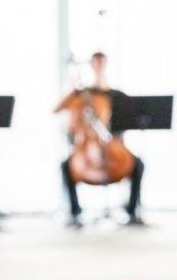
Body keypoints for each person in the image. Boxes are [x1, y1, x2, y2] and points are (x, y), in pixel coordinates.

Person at [55, 51, 145, 227]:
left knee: (138, 164)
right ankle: (75, 213)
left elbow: (127, 122)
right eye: (95, 63)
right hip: (86, 148)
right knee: (66, 166)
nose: (99, 66)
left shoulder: (117, 96)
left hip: (113, 145)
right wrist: (74, 90)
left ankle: (132, 212)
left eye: (102, 63)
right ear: (91, 65)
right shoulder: (80, 94)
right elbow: (57, 109)